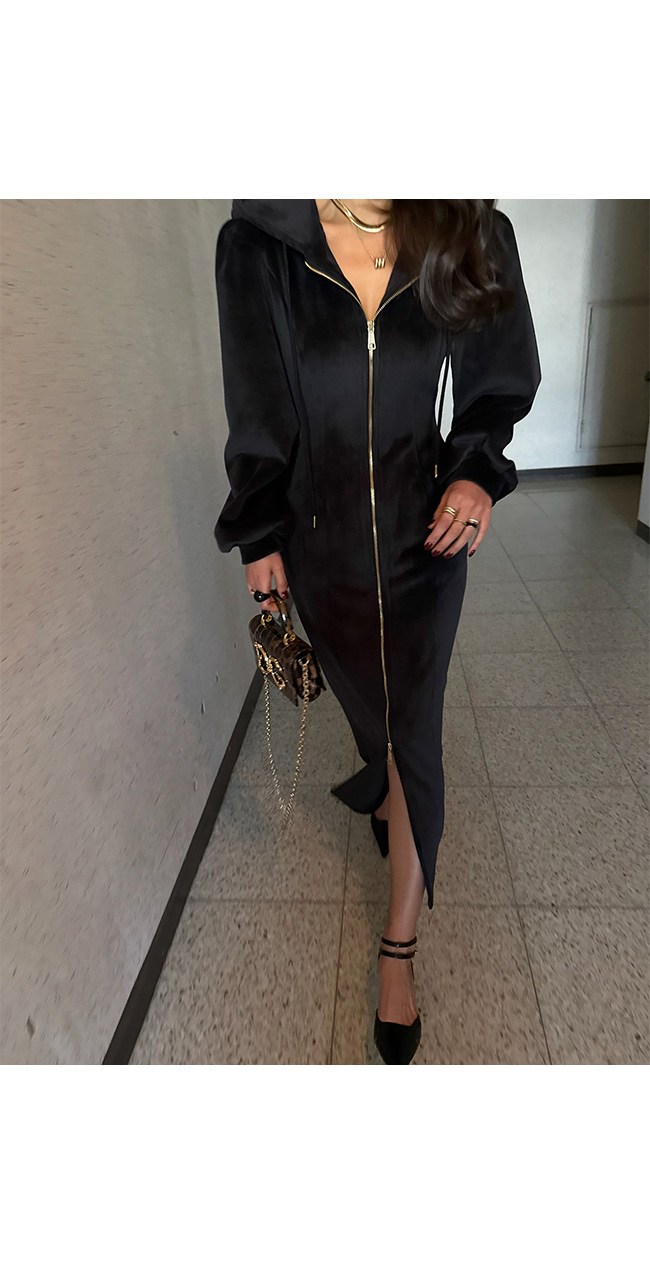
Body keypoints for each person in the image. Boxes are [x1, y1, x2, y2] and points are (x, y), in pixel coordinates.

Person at [213, 199, 541, 1063]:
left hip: (424, 536)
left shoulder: (465, 228)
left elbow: (497, 373)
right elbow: (257, 407)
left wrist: (475, 470)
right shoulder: (261, 245)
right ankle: (388, 791)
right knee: (375, 716)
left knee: (414, 730)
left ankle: (399, 944)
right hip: (321, 546)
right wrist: (261, 532)